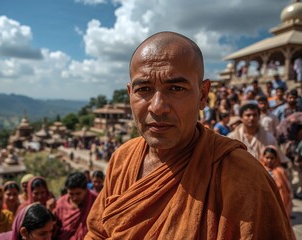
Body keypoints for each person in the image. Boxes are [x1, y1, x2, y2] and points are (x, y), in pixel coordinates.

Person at [85, 32, 294, 239]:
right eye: (144, 89)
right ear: (130, 94)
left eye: (176, 88)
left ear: (203, 95)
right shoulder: (123, 158)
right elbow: (97, 233)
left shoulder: (242, 175)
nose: (157, 107)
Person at [54, 172, 97, 240]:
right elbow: (55, 229)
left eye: (78, 193)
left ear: (85, 190)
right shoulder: (61, 203)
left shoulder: (95, 202)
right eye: (71, 194)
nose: (74, 198)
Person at [260, 146, 293, 218]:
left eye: (272, 158)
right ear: (263, 157)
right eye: (267, 157)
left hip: (278, 200)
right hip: (263, 200)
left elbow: (286, 188)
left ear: (276, 158)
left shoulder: (280, 171)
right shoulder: (259, 170)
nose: (269, 160)